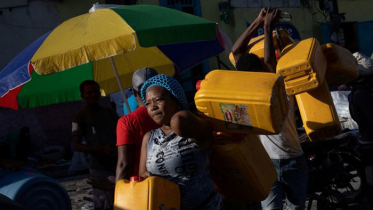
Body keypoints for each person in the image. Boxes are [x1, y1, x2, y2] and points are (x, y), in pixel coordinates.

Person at [232, 8, 307, 210]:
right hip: (271, 162)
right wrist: (261, 24)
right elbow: (240, 53)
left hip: (288, 161)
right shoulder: (260, 88)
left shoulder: (278, 86)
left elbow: (241, 53)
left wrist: (262, 24)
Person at [139, 74, 224, 210]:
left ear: (176, 100)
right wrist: (146, 177)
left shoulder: (191, 126)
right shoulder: (149, 137)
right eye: (148, 103)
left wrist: (177, 117)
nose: (153, 107)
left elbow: (180, 121)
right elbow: (142, 173)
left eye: (158, 100)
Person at [72, 80, 118, 210]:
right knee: (103, 201)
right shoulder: (79, 117)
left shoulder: (109, 113)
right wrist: (100, 148)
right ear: (83, 96)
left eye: (96, 92)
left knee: (120, 198)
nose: (93, 95)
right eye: (89, 93)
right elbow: (76, 145)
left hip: (117, 162)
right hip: (98, 167)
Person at [115, 67, 160, 183]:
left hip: (142, 189)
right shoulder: (171, 114)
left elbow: (124, 164)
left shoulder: (127, 121)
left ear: (134, 92)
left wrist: (118, 194)